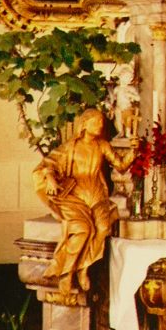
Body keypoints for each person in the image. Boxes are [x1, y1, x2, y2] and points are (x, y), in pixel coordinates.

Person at [33, 108, 134, 295]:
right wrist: (50, 177)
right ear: (84, 124)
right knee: (82, 230)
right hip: (75, 197)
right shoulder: (71, 147)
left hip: (96, 195)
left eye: (101, 122)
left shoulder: (102, 145)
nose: (100, 125)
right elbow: (48, 164)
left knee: (103, 227)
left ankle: (84, 268)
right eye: (96, 122)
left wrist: (134, 150)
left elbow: (120, 165)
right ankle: (67, 273)